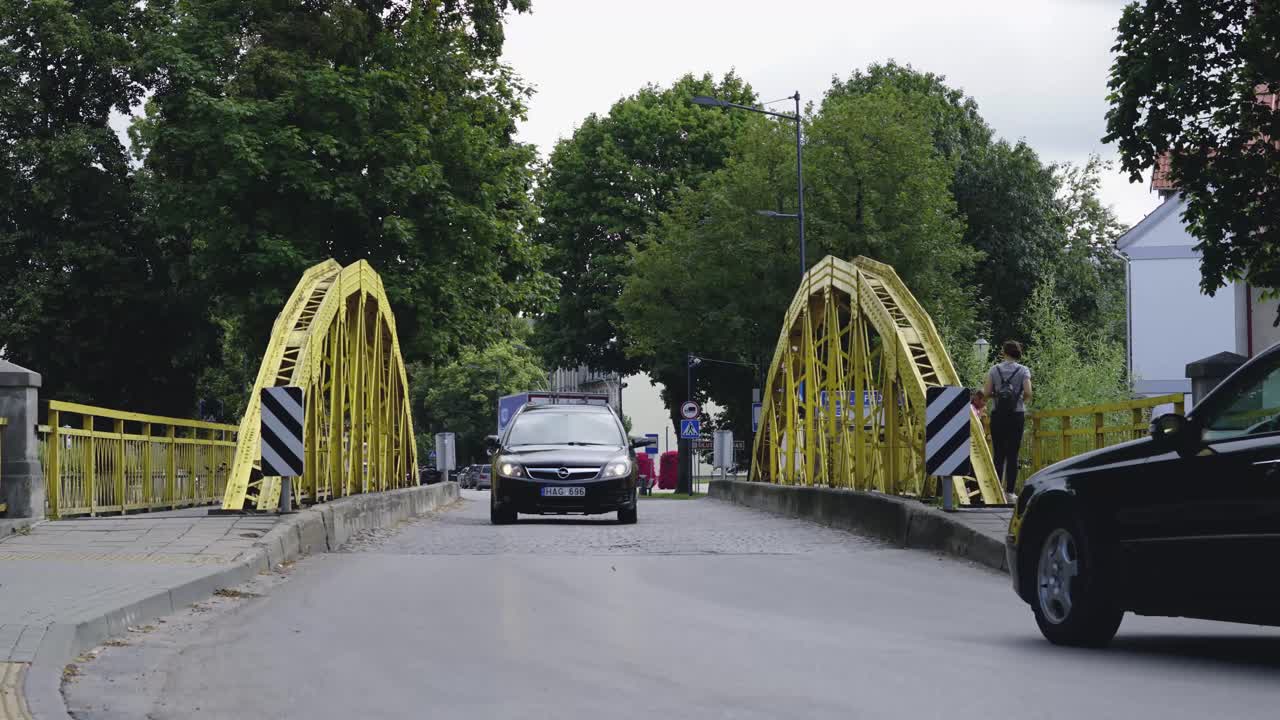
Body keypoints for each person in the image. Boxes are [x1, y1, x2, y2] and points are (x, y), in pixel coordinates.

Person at [982, 340, 1032, 500]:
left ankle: (996, 491)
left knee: (999, 453)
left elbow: (987, 392)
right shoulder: (1023, 370)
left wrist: (997, 396)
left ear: (1004, 352)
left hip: (998, 415)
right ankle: (1010, 492)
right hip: (1016, 415)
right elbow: (1028, 392)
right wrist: (1018, 401)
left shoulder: (994, 369)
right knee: (1013, 453)